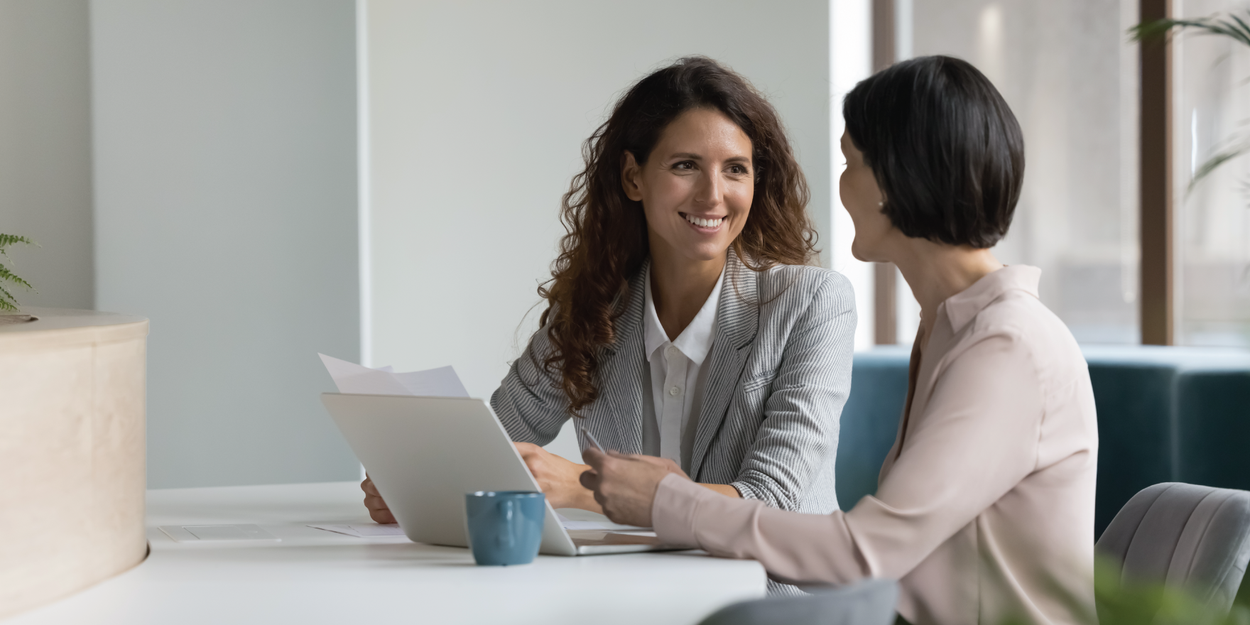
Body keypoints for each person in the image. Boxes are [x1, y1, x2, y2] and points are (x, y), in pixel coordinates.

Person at [580, 55, 1099, 625]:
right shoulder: (952, 329)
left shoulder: (1009, 347)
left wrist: (666, 501)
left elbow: (864, 553)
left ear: (895, 181)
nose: (842, 182)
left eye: (851, 161)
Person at [362, 57, 857, 592]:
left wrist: (583, 487)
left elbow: (773, 504)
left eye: (736, 168)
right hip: (632, 598)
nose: (714, 195)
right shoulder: (594, 307)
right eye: (686, 165)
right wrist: (426, 483)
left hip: (780, 604)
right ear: (632, 177)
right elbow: (500, 444)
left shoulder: (813, 303)